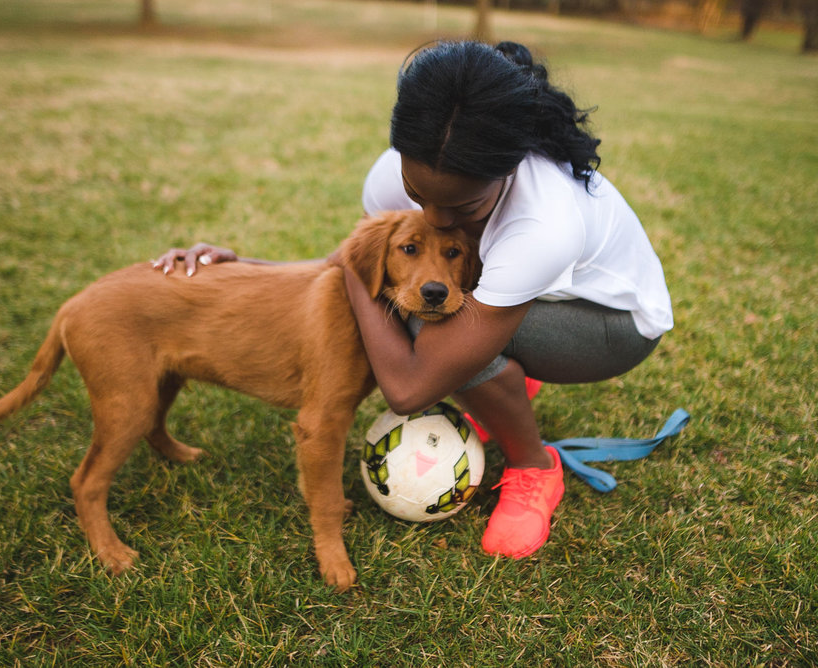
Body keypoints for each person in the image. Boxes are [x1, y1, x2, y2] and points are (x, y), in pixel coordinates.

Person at [152, 40, 673, 560]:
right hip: (521, 291)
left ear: (506, 173)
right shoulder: (399, 169)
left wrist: (366, 277)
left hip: (610, 325)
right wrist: (238, 267)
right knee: (422, 301)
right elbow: (351, 259)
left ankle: (533, 464)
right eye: (417, 194)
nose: (435, 215)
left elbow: (407, 389)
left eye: (463, 205)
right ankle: (499, 374)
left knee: (428, 321)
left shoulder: (543, 224)